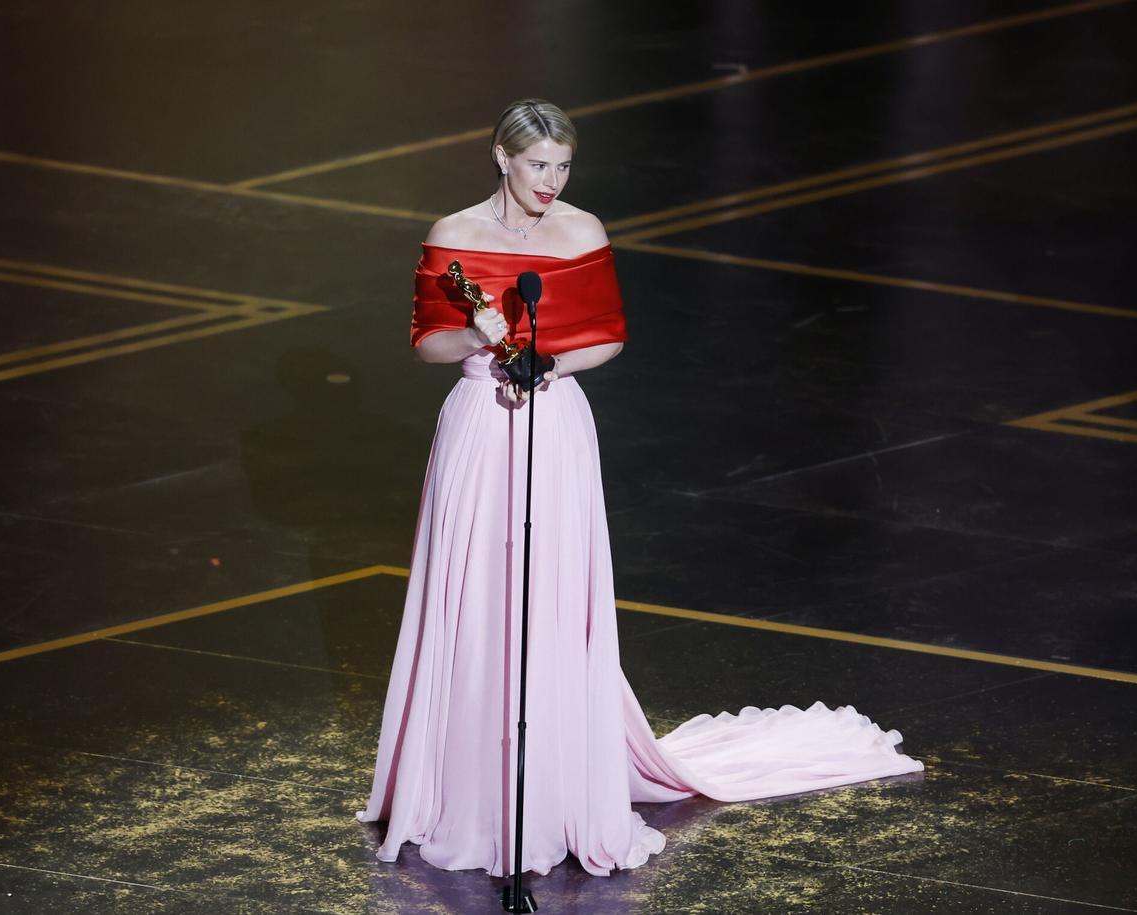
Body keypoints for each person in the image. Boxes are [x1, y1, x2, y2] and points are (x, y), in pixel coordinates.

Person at [356, 99, 923, 879]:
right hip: (479, 428)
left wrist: (548, 363)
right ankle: (460, 782)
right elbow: (428, 343)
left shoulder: (582, 231)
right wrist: (481, 336)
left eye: (562, 166)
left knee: (547, 593)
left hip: (552, 424)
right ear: (500, 158)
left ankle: (551, 782)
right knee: (475, 591)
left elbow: (608, 336)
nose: (550, 181)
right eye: (537, 165)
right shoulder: (454, 234)